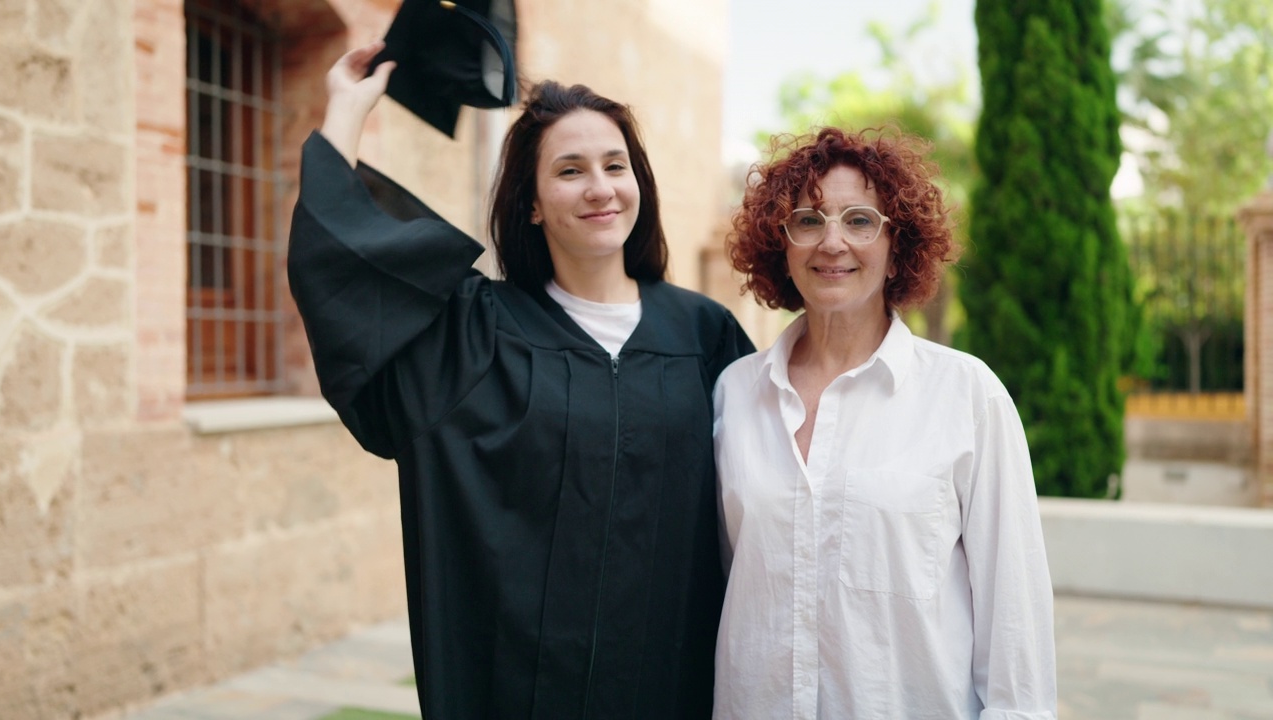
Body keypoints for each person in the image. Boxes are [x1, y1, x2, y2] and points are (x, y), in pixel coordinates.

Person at [288, 42, 754, 720]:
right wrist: (346, 109)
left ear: (638, 185)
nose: (599, 187)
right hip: (520, 693)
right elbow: (342, 259)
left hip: (670, 689)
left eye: (614, 165)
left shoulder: (705, 337)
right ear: (532, 203)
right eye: (570, 170)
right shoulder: (475, 334)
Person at [712, 127, 1057, 719]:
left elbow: (1015, 619)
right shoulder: (735, 393)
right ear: (782, 243)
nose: (833, 242)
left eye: (861, 220)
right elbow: (727, 583)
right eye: (809, 220)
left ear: (898, 244)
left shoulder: (965, 394)